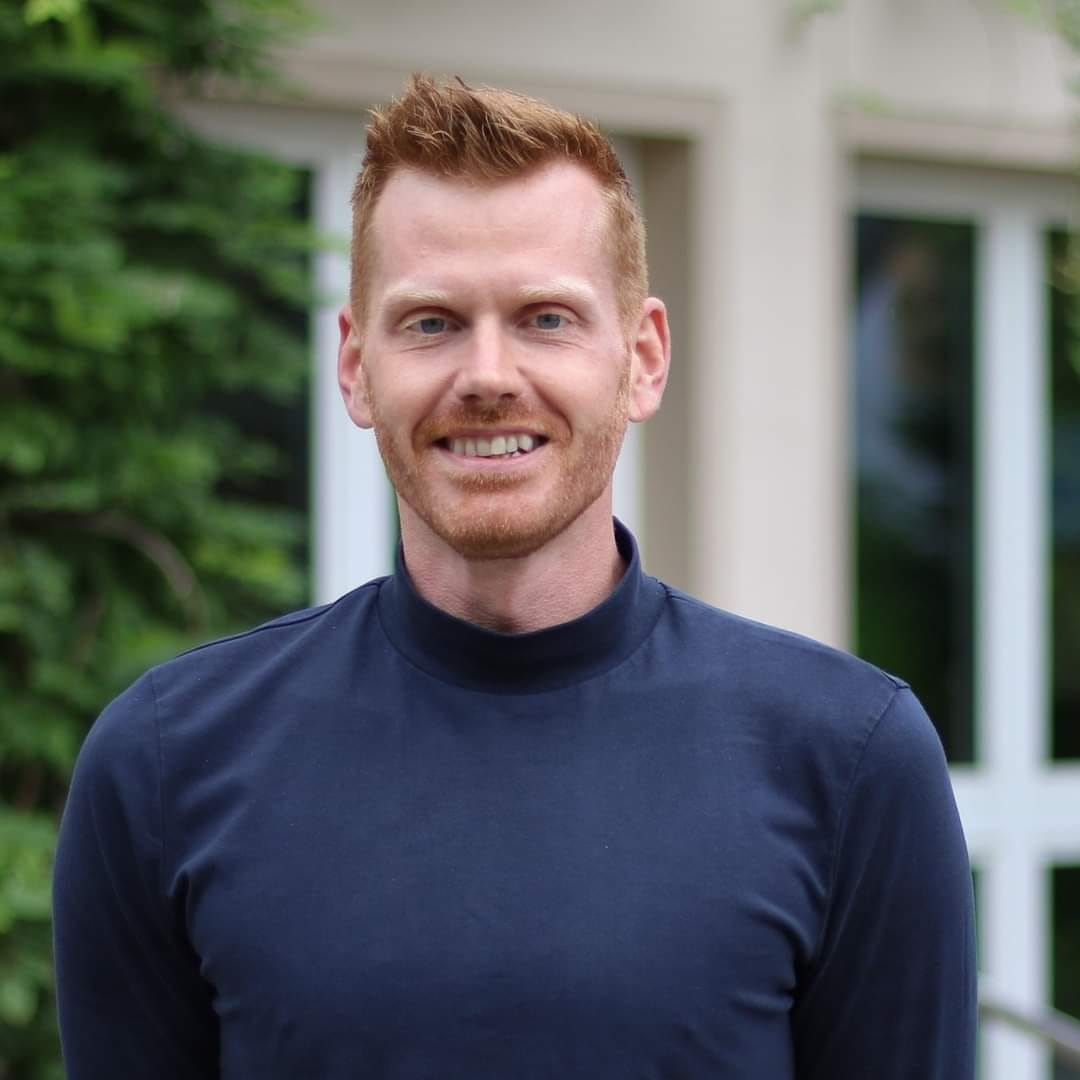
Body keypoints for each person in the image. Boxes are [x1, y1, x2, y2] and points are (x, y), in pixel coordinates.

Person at [52, 75, 977, 1079]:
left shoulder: (849, 761)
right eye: (431, 322)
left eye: (545, 318)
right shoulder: (166, 763)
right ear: (355, 366)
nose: (488, 376)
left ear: (642, 357)